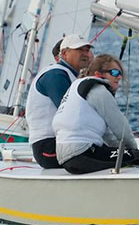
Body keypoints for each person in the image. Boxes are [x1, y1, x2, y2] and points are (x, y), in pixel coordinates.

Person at [53, 54, 139, 174]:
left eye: (120, 73)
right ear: (98, 74)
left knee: (125, 155)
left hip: (66, 156)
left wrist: (122, 151)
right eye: (114, 73)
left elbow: (107, 135)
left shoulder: (77, 86)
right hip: (82, 153)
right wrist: (134, 152)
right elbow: (122, 130)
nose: (119, 77)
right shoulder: (99, 90)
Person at [26, 34, 94, 169]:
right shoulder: (56, 75)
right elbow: (72, 114)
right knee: (117, 156)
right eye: (80, 50)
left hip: (64, 144)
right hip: (48, 148)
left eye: (87, 50)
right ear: (64, 54)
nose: (85, 54)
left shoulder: (69, 75)